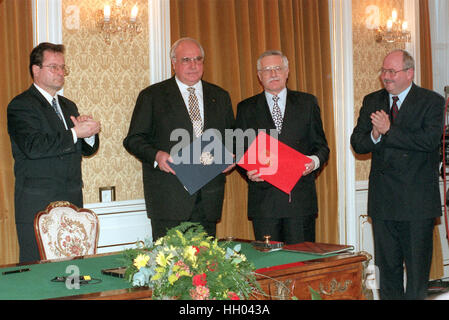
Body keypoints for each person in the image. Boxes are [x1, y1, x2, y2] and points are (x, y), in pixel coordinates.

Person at [351, 50, 445, 300]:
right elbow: (358, 143)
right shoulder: (373, 100)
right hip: (383, 203)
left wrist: (390, 130)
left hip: (416, 203)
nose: (386, 77)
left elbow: (429, 141)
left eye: (392, 72)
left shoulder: (431, 101)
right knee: (387, 272)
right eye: (383, 71)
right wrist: (375, 134)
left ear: (409, 72)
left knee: (416, 275)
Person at [123, 37, 235, 240]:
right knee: (168, 267)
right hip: (169, 200)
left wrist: (230, 156)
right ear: (173, 63)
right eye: (186, 60)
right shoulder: (152, 96)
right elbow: (133, 139)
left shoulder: (220, 96)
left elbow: (231, 138)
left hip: (208, 198)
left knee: (207, 266)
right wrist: (157, 156)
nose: (193, 65)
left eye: (198, 59)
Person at [7, 42, 101, 263]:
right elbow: (33, 147)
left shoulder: (69, 106)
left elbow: (86, 150)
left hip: (72, 202)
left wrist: (88, 134)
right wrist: (75, 132)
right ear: (35, 70)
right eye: (53, 67)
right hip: (37, 204)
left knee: (74, 273)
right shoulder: (21, 105)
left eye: (62, 67)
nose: (60, 73)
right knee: (38, 274)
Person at [234, 50, 329, 244]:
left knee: (302, 266)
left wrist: (313, 162)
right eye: (267, 70)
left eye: (278, 68)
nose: (273, 74)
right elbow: (239, 151)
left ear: (287, 72)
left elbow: (322, 147)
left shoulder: (307, 103)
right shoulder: (246, 108)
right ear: (259, 76)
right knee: (270, 270)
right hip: (264, 204)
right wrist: (248, 171)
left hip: (300, 203)